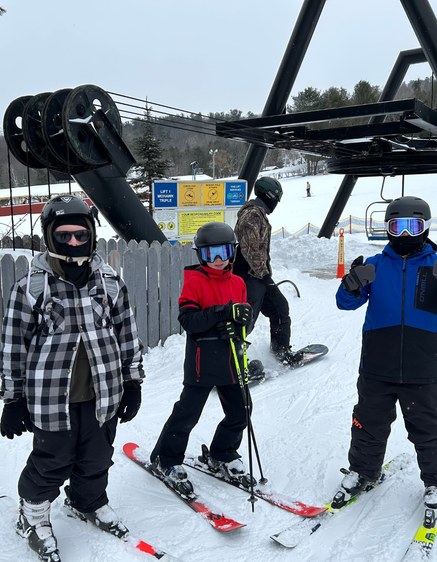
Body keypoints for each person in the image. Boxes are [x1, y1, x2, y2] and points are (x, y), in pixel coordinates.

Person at [0, 194, 144, 561]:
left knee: (97, 458)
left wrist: (132, 382)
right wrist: (13, 399)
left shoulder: (109, 283)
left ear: (91, 236)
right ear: (49, 238)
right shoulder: (32, 288)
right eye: (63, 236)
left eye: (80, 235)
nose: (73, 243)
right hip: (51, 402)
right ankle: (32, 516)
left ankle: (87, 501)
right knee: (52, 462)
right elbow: (13, 345)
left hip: (103, 396)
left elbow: (126, 334)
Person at [333, 195, 437, 510]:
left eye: (412, 226)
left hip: (424, 366)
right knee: (368, 421)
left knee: (429, 427)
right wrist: (351, 283)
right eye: (397, 227)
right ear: (387, 229)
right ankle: (363, 472)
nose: (404, 234)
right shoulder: (375, 266)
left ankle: (434, 482)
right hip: (378, 365)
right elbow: (344, 301)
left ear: (425, 227)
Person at [150, 221, 254, 494]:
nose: (218, 260)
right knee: (187, 414)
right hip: (202, 362)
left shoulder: (239, 283)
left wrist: (241, 323)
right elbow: (189, 320)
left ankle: (222, 452)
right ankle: (168, 458)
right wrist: (222, 313)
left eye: (223, 252)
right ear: (200, 255)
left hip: (232, 358)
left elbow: (244, 318)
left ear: (232, 252)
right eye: (210, 254)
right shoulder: (195, 282)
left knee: (241, 410)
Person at [233, 176, 302, 367]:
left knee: (279, 308)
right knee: (246, 320)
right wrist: (263, 276)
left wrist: (264, 276)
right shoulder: (252, 216)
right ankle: (231, 362)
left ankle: (280, 351)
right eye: (276, 200)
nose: (276, 204)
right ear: (270, 196)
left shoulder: (257, 213)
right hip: (248, 277)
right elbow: (250, 249)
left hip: (259, 276)